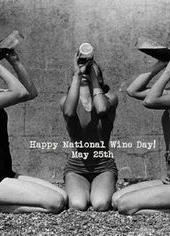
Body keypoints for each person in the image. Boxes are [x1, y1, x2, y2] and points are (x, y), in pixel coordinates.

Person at [0, 50, 67, 213]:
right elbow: (20, 92)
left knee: (63, 195)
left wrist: (15, 61)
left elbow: (30, 93)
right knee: (55, 203)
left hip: (5, 173)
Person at [112, 51, 170, 215]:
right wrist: (161, 63)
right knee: (116, 199)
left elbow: (150, 101)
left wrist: (169, 72)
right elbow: (133, 90)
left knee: (125, 205)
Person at [60, 51, 118, 211]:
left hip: (103, 166)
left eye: (90, 70)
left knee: (100, 204)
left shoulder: (110, 98)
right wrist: (77, 76)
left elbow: (100, 109)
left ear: (99, 78)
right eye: (82, 69)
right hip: (76, 167)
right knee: (78, 205)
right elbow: (69, 112)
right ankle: (86, 189)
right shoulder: (66, 100)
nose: (85, 71)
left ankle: (103, 188)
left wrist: (93, 77)